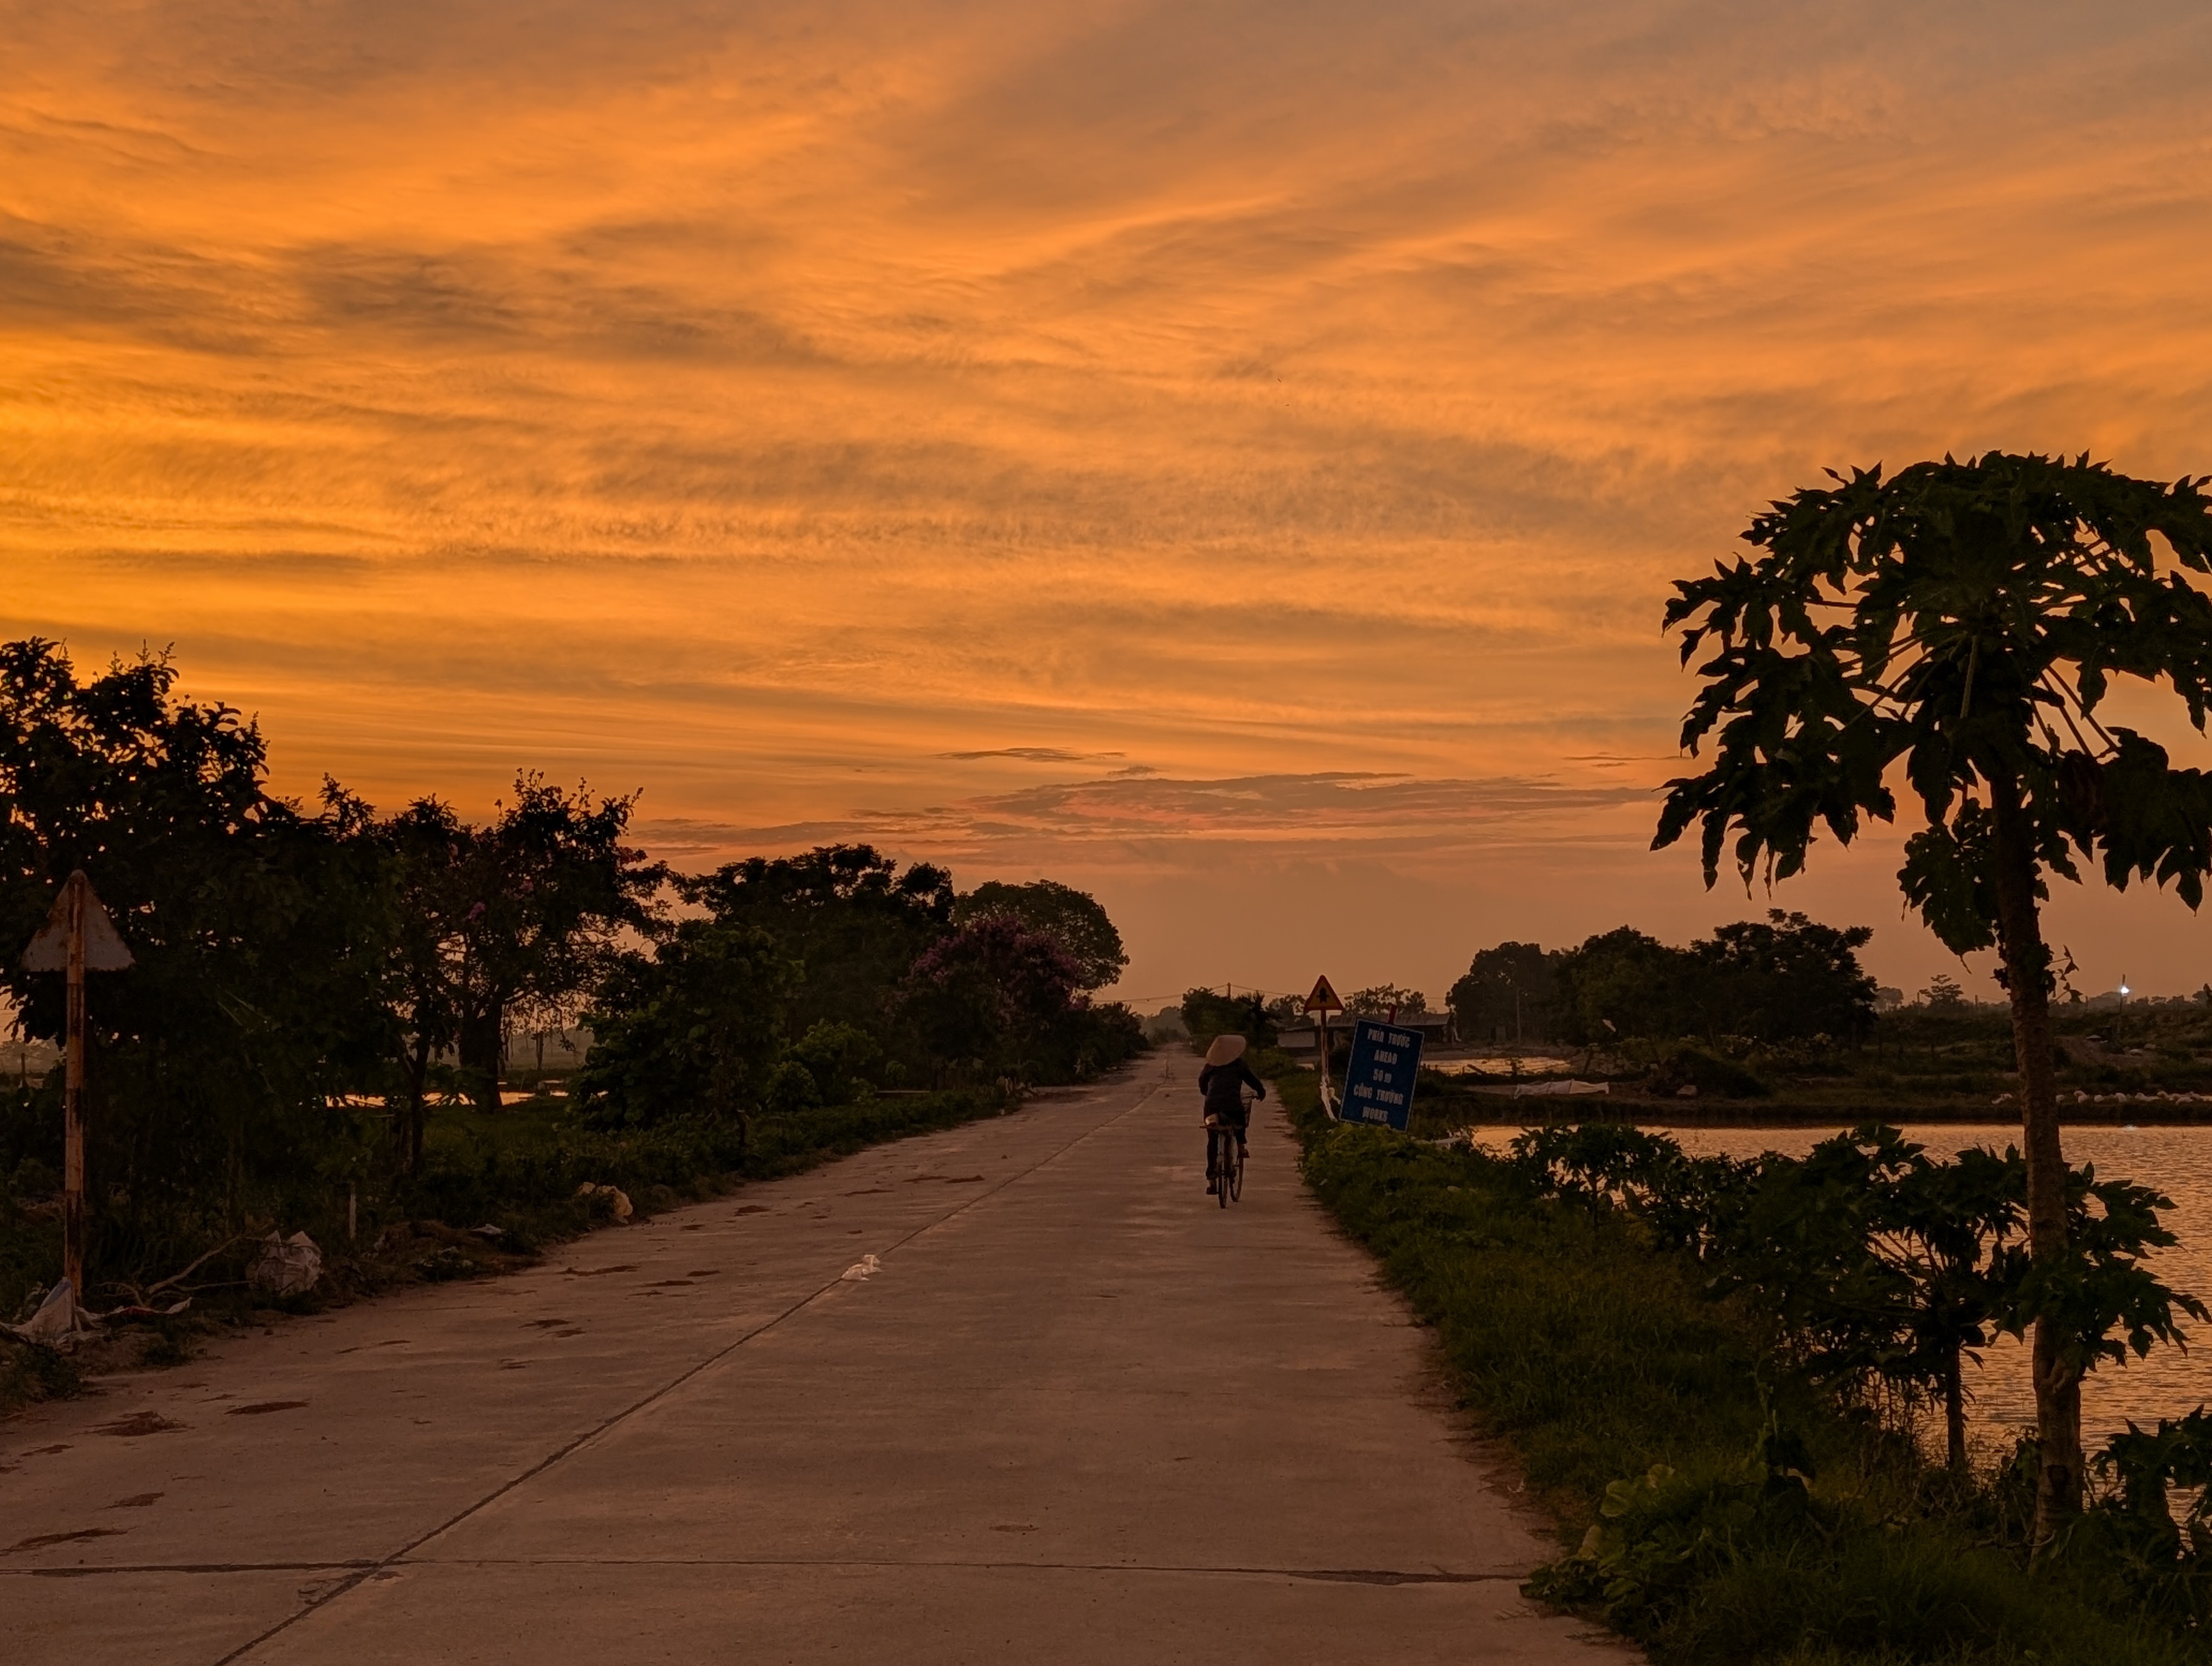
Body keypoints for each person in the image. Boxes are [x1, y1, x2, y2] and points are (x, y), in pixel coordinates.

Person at [1198, 1033, 1266, 1195]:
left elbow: (1202, 1085)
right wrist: (1261, 1091)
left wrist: (1208, 1093)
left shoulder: (1210, 1067)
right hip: (1232, 1105)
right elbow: (1253, 1081)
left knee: (1213, 1139)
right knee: (1240, 1120)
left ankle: (1212, 1179)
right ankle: (1241, 1145)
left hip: (1211, 1107)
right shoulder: (1238, 1065)